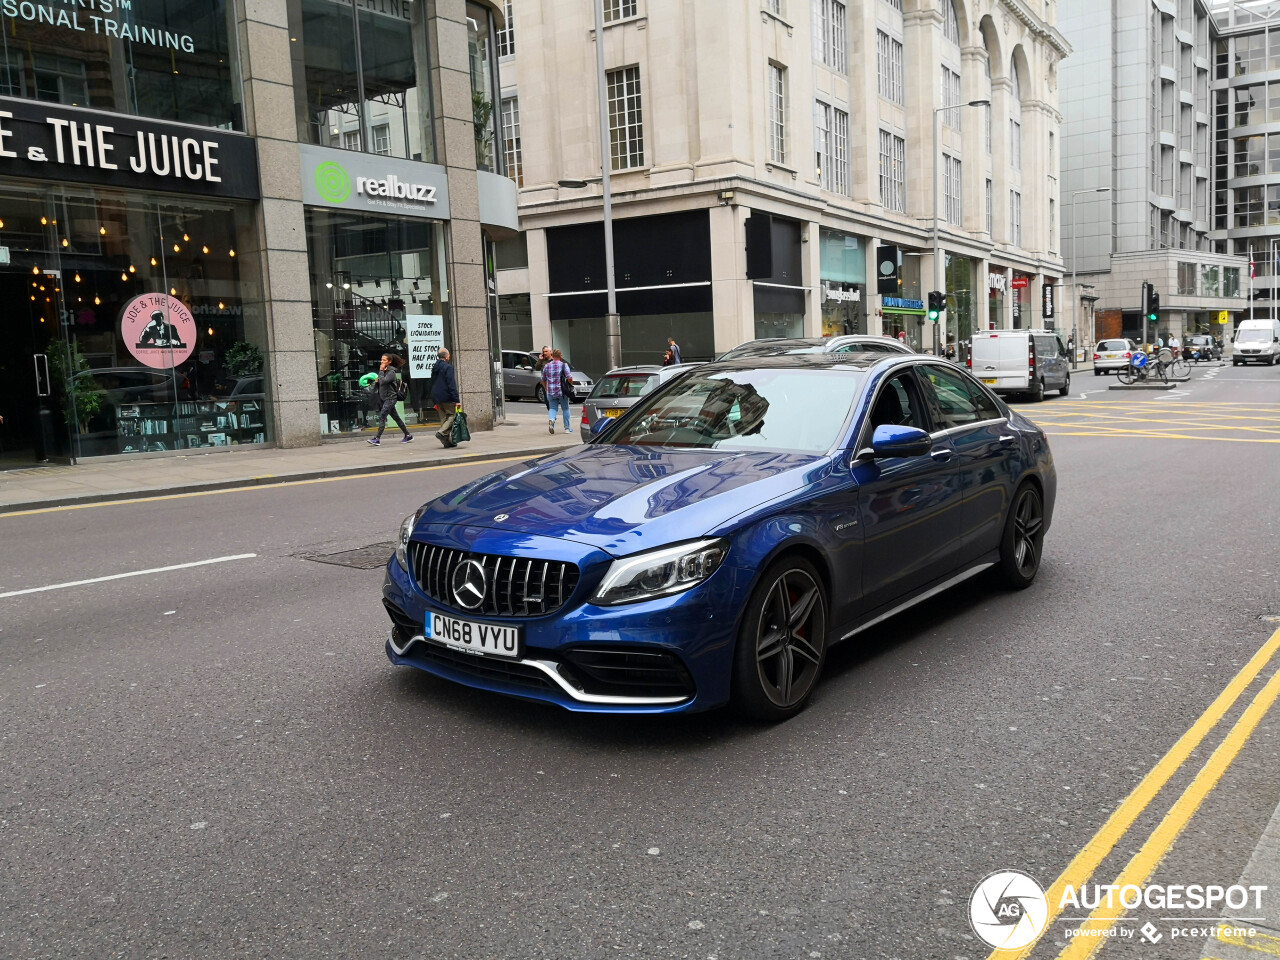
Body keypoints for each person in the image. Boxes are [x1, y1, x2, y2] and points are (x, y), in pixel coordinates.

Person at [367, 353, 411, 446]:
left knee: (382, 416)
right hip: (385, 398)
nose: (382, 362)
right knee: (396, 418)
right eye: (381, 360)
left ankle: (377, 439)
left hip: (390, 399)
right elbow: (380, 383)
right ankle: (408, 435)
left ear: (389, 362)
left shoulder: (391, 372)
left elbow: (383, 382)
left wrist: (381, 371)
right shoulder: (385, 371)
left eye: (384, 360)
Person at [431, 347, 461, 447]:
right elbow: (451, 384)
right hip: (447, 396)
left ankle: (446, 442)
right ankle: (442, 432)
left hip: (437, 397)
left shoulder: (435, 367)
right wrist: (456, 400)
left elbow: (431, 382)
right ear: (447, 356)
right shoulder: (448, 367)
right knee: (453, 416)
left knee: (444, 419)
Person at [541, 348, 573, 435]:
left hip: (551, 391)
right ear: (560, 356)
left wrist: (546, 388)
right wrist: (570, 385)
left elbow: (543, 379)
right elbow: (569, 377)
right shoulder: (564, 365)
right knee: (565, 408)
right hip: (562, 392)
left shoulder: (547, 366)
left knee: (552, 408)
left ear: (553, 356)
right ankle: (567, 428)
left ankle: (551, 419)